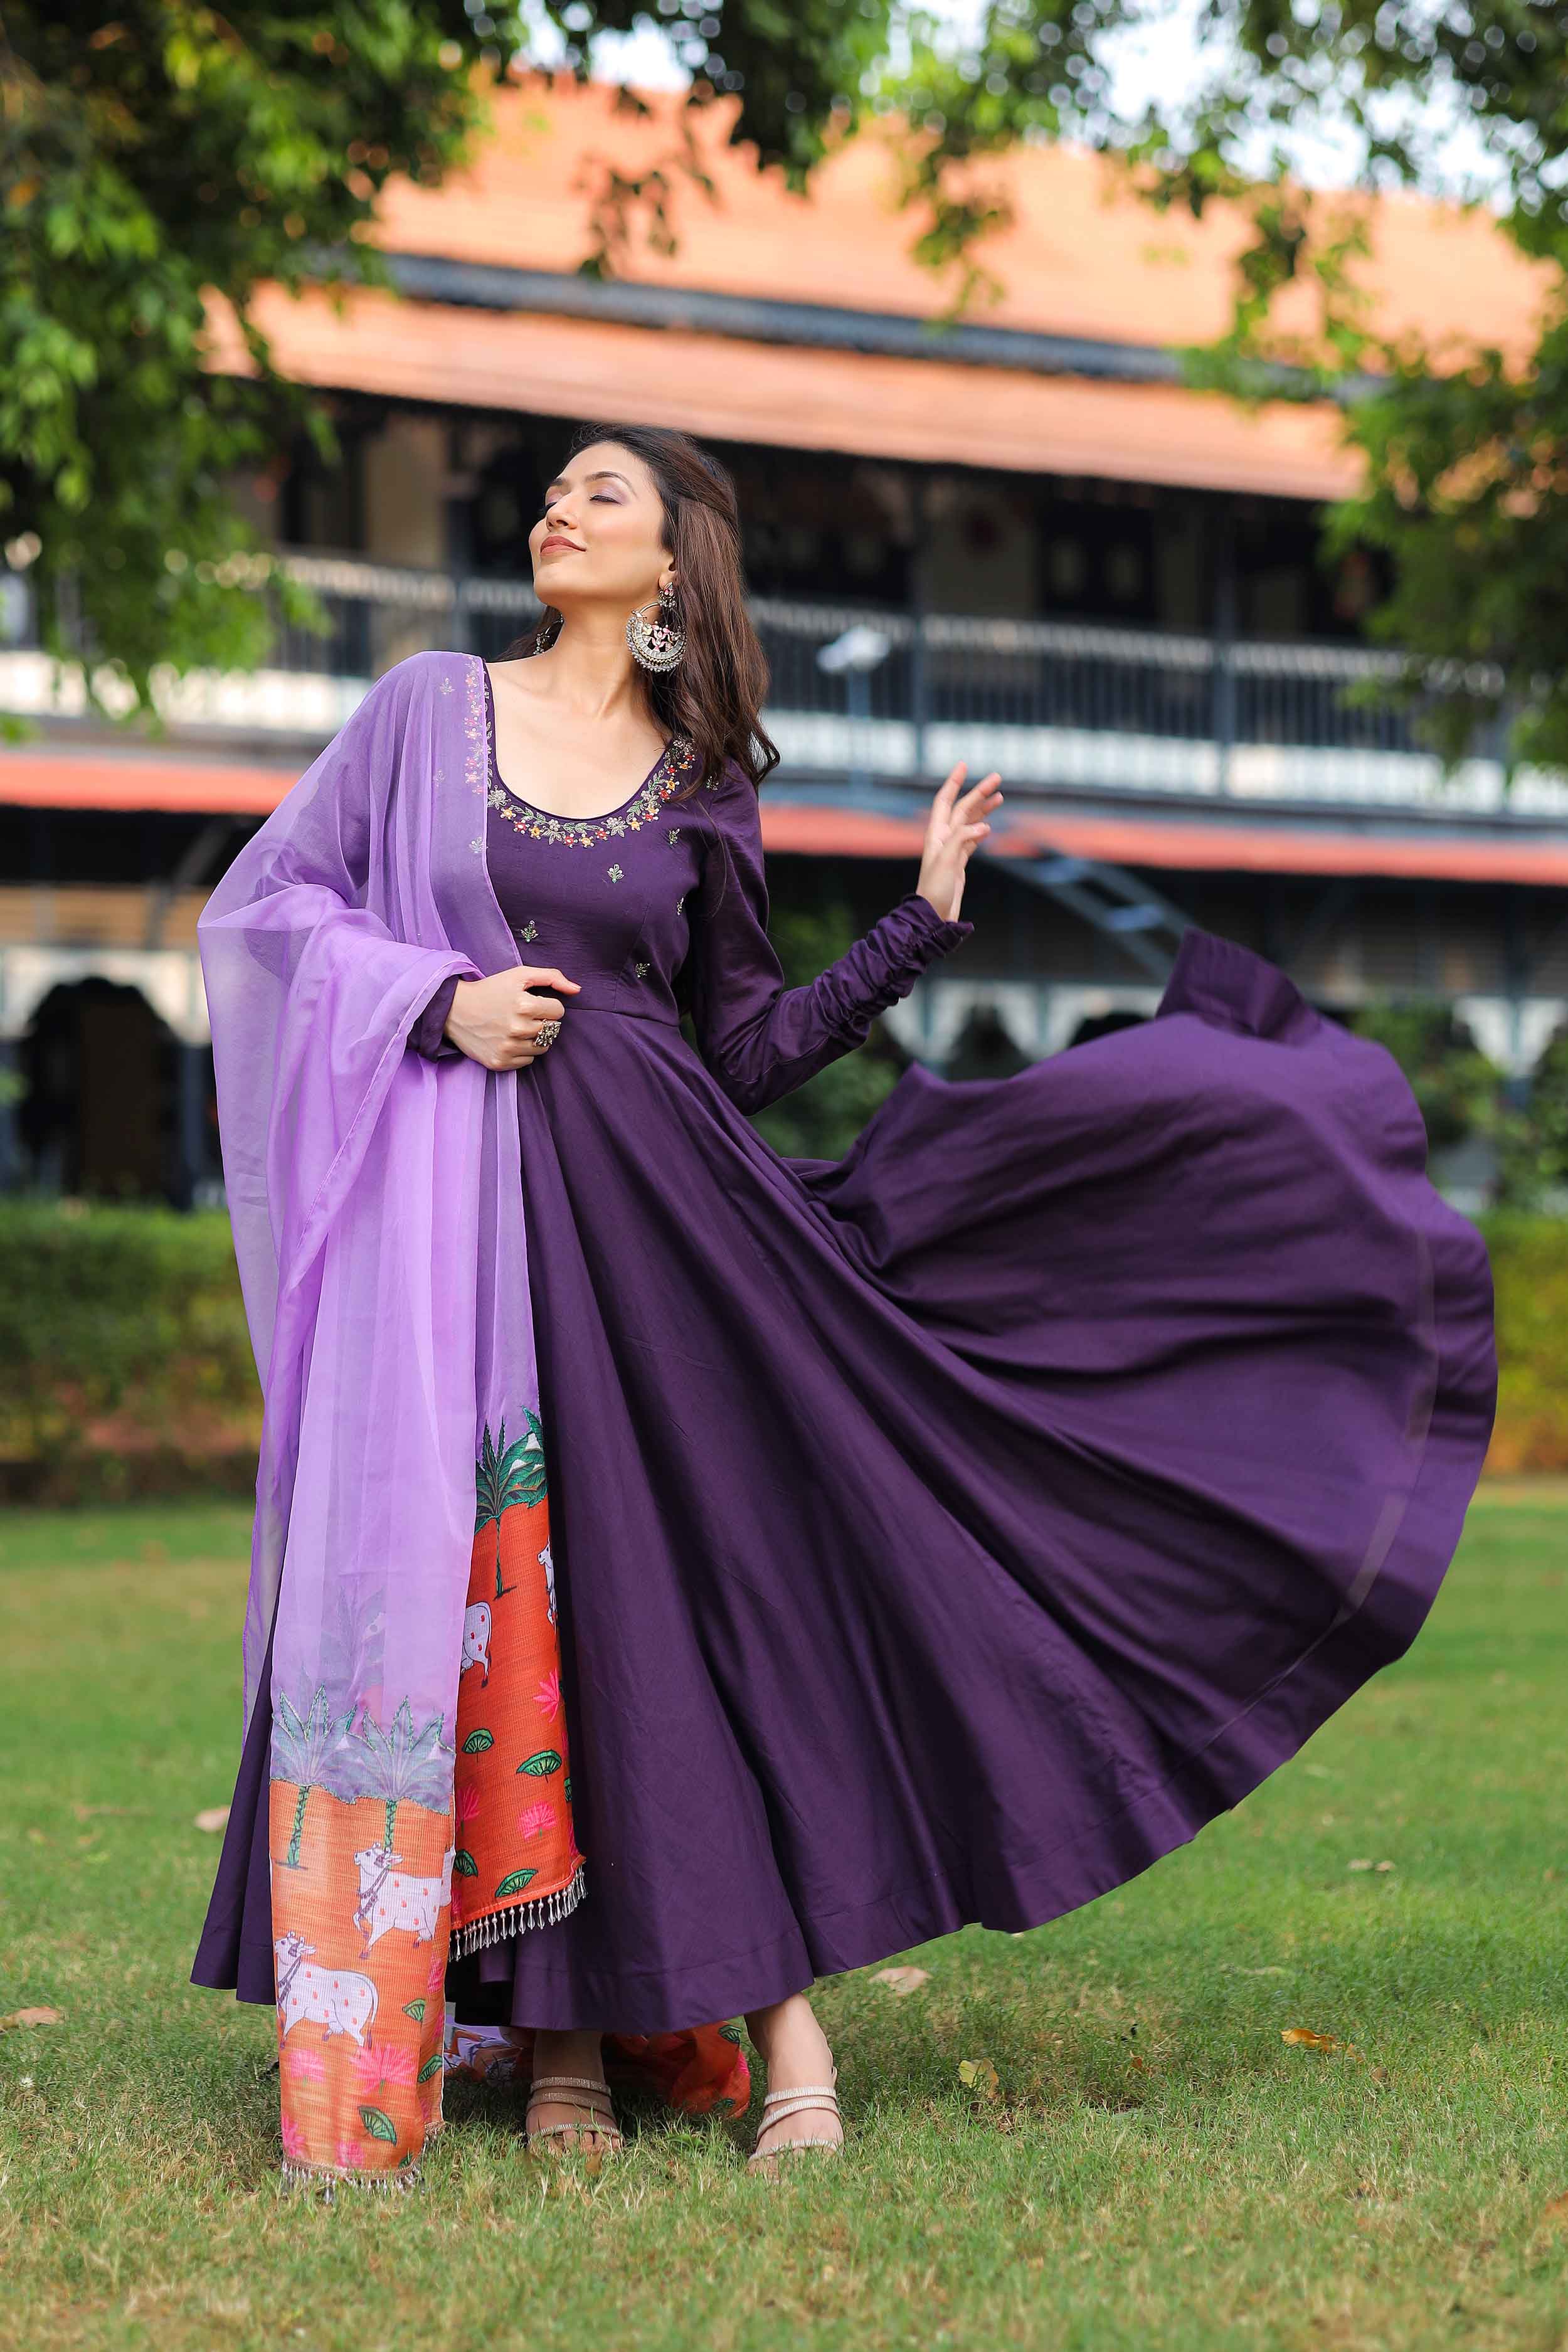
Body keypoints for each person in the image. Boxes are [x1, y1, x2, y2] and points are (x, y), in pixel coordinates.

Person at [191, 420, 1497, 2192]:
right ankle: (562, 2032)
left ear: (671, 569)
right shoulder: (427, 707)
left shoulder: (702, 775)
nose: (556, 509)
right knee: (523, 1605)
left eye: (602, 492)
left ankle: (775, 2022)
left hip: (679, 1239)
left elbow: (740, 1048)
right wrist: (435, 1005)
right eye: (554, 486)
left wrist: (916, 927)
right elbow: (270, 910)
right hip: (477, 1237)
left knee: (711, 1605)